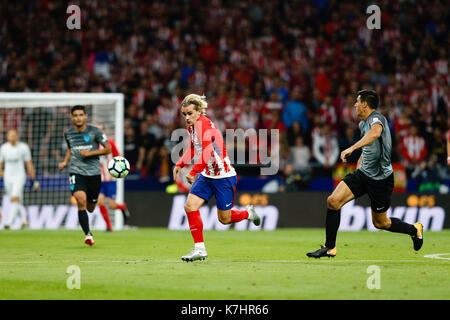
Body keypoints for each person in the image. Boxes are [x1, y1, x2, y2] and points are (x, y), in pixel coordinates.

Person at [307, 90, 424, 259]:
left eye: (357, 101)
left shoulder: (377, 118)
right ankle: (330, 247)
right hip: (363, 174)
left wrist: (351, 148)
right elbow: (369, 146)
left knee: (380, 223)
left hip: (381, 180)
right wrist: (360, 163)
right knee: (333, 201)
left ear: (365, 104)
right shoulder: (363, 124)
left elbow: (376, 133)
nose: (355, 105)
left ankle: (414, 230)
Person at [173, 94, 261, 262]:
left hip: (223, 176)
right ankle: (199, 249)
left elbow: (207, 152)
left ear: (199, 111)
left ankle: (247, 213)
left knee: (224, 219)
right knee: (190, 206)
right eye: (184, 114)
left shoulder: (203, 125)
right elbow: (193, 148)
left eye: (190, 113)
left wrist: (193, 172)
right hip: (207, 175)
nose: (186, 117)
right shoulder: (192, 127)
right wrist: (180, 163)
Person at [58, 105, 111, 246]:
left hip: (94, 173)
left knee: (91, 207)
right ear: (72, 117)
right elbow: (70, 149)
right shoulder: (68, 133)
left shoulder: (95, 131)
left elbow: (108, 149)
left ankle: (88, 223)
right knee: (80, 200)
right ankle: (88, 235)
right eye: (75, 115)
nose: (78, 118)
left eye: (81, 115)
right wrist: (65, 162)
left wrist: (90, 154)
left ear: (85, 116)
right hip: (76, 172)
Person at [0, 129, 40, 229]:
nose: (12, 137)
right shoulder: (4, 148)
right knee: (15, 199)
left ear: (17, 136)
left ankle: (9, 222)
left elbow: (29, 164)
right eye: (10, 135)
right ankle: (23, 220)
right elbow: (0, 163)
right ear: (7, 137)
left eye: (14, 135)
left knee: (14, 197)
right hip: (8, 176)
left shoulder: (23, 147)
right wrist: (1, 172)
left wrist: (34, 179)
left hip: (19, 176)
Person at [97, 124, 130, 232]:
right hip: (100, 180)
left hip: (111, 180)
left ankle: (122, 207)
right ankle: (109, 227)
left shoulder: (110, 143)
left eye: (101, 130)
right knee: (100, 201)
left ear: (104, 131)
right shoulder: (93, 146)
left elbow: (118, 158)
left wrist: (118, 171)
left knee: (112, 205)